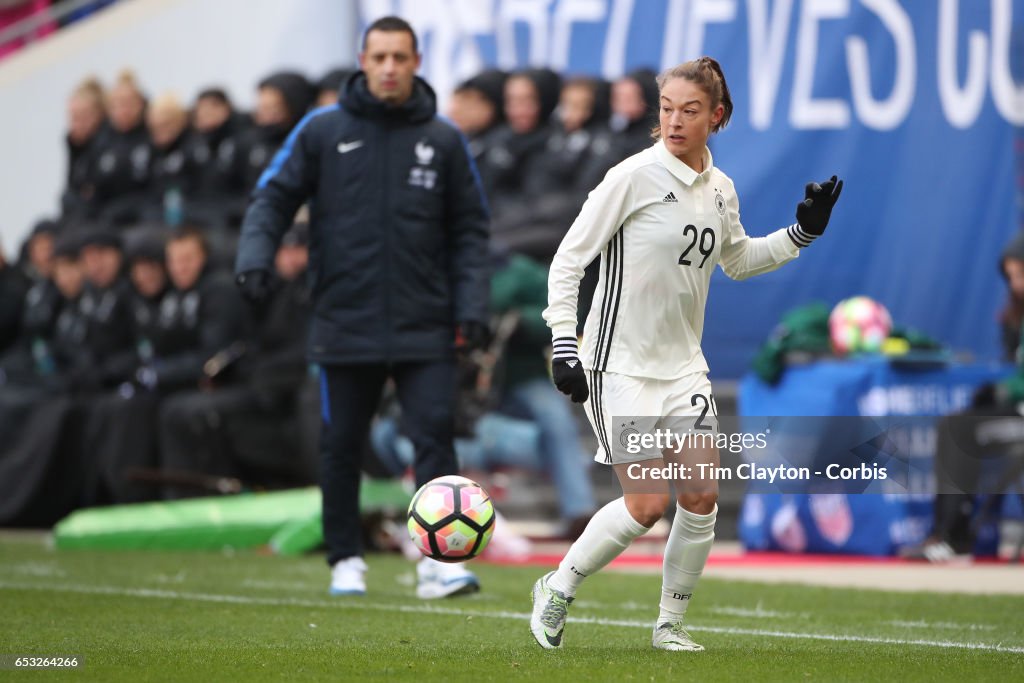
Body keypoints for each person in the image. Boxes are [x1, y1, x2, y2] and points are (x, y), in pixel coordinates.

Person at [528, 56, 843, 652]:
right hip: (616, 363)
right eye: (667, 108)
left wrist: (802, 233)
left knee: (699, 498)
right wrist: (564, 344)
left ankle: (668, 625)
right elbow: (568, 260)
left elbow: (738, 260)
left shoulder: (719, 189)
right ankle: (557, 587)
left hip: (682, 368)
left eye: (689, 111)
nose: (674, 120)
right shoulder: (631, 176)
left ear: (715, 117)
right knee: (645, 504)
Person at [234, 16, 490, 599]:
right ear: (362, 59)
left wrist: (472, 303)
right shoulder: (321, 131)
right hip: (344, 318)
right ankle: (345, 558)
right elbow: (273, 196)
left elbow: (472, 231)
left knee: (434, 437)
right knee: (340, 442)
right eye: (379, 57)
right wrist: (255, 256)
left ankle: (439, 563)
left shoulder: (444, 139)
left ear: (417, 61)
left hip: (426, 320)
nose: (390, 68)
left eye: (400, 57)